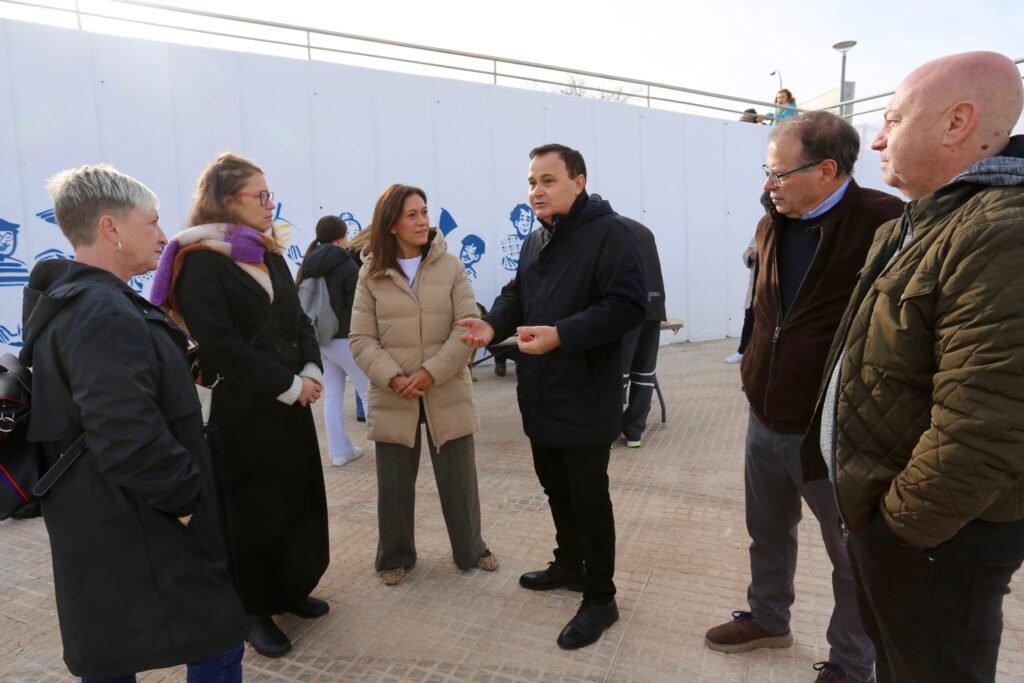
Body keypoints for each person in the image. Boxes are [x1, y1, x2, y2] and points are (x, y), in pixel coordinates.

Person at [803, 51, 1024, 683]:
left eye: (894, 119)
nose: (875, 138)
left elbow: (986, 427)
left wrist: (895, 536)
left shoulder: (1003, 231)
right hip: (903, 531)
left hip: (936, 542)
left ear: (958, 122)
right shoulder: (918, 222)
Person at [20, 164, 248, 681]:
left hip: (107, 523)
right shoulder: (102, 314)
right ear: (111, 228)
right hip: (141, 524)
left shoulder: (83, 304)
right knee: (217, 643)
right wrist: (190, 500)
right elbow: (126, 435)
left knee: (112, 655)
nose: (164, 235)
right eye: (153, 221)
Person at [704, 111, 904, 683]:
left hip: (835, 428)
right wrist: (751, 368)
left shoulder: (884, 222)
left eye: (777, 174)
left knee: (850, 557)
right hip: (765, 414)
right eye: (766, 173)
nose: (768, 185)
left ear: (827, 169)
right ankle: (769, 618)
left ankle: (851, 662)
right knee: (766, 530)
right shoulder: (772, 221)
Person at [458, 143, 647, 650]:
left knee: (589, 497)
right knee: (555, 487)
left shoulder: (610, 234)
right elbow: (519, 292)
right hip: (540, 392)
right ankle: (569, 564)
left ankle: (601, 597)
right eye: (531, 182)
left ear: (578, 182)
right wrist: (493, 321)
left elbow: (629, 306)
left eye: (547, 180)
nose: (536, 191)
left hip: (585, 394)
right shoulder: (537, 238)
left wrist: (563, 333)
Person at [150, 152, 330, 659]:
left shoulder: (268, 252)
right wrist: (289, 384)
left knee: (295, 500)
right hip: (244, 410)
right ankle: (252, 608)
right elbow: (221, 343)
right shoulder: (200, 261)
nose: (270, 204)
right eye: (261, 195)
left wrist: (312, 370)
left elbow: (299, 322)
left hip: (290, 401)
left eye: (270, 194)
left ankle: (288, 588)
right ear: (229, 201)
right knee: (252, 511)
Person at [350, 183, 498, 587]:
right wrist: (393, 377)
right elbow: (360, 339)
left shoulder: (450, 266)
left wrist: (432, 371)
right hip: (394, 391)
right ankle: (394, 555)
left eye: (424, 212)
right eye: (411, 214)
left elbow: (466, 327)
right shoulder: (371, 273)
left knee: (460, 479)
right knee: (394, 484)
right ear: (391, 223)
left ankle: (471, 548)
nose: (422, 221)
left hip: (445, 388)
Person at [296, 214, 370, 466]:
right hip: (346, 339)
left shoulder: (308, 263)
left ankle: (339, 453)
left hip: (321, 341)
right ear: (340, 237)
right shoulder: (347, 265)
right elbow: (359, 306)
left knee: (332, 397)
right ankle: (385, 451)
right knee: (370, 392)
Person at [619, 216, 665, 448]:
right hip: (653, 309)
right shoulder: (644, 231)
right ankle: (634, 432)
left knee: (618, 375)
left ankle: (608, 432)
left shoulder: (609, 231)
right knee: (645, 373)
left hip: (626, 311)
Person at [725, 236, 757, 364]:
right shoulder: (761, 230)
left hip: (773, 284)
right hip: (756, 283)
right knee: (749, 317)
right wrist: (751, 256)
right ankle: (742, 352)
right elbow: (747, 252)